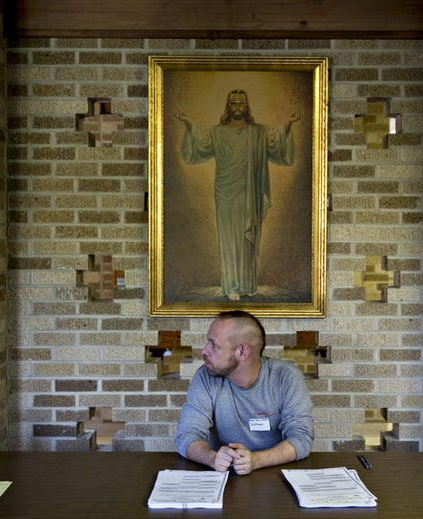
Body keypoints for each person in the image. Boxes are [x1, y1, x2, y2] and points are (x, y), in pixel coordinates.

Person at [174, 89, 303, 301]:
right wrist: (188, 123)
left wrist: (288, 123)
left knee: (248, 242)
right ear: (228, 107)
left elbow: (275, 141)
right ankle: (231, 285)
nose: (237, 107)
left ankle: (247, 284)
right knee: (229, 239)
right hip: (226, 193)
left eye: (241, 104)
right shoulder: (217, 132)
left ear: (247, 107)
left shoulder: (257, 132)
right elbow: (200, 142)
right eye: (233, 103)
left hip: (250, 193)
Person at [174, 310, 314, 475]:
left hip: (274, 475)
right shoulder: (205, 376)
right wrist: (212, 458)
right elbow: (187, 434)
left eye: (213, 344)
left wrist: (256, 460)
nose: (204, 350)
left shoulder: (286, 377)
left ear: (242, 352)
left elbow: (302, 438)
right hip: (222, 475)